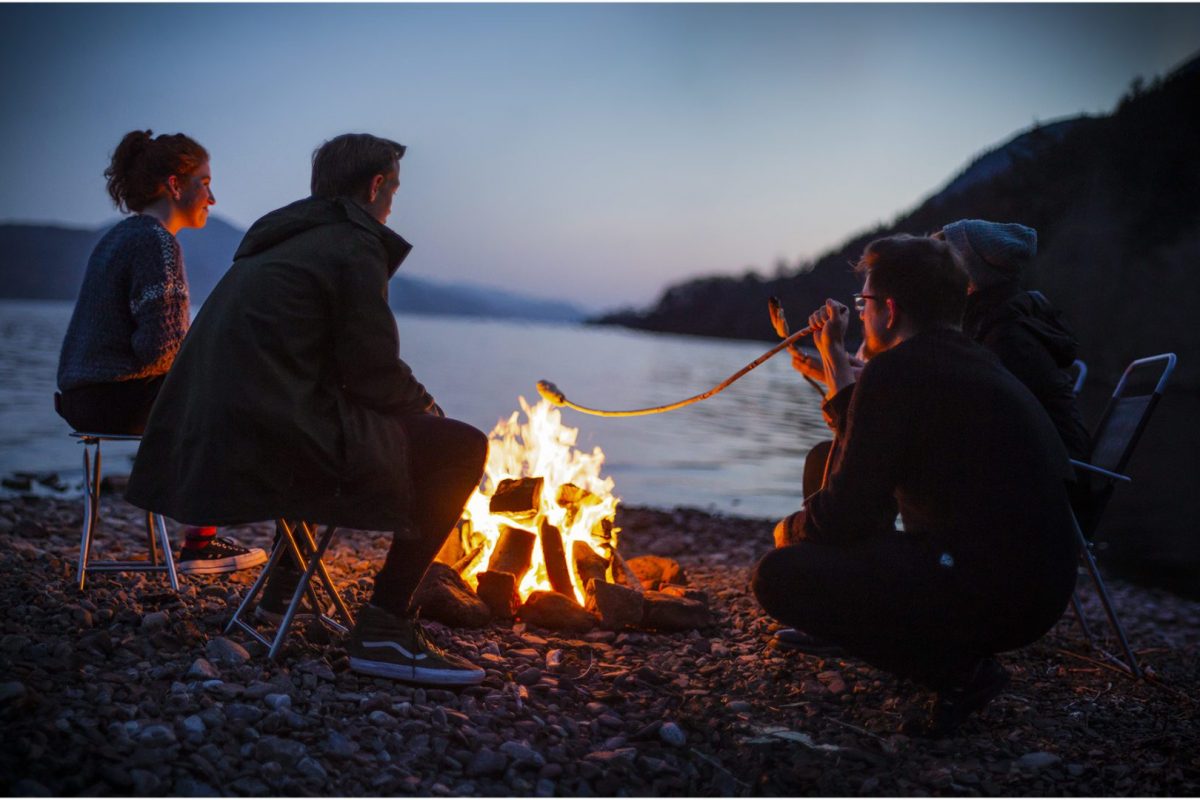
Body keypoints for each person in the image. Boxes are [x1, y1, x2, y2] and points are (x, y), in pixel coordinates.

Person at [125, 133, 489, 686]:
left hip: (203, 440)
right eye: (393, 187)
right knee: (460, 448)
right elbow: (371, 370)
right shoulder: (352, 244)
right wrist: (428, 410)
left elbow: (329, 369)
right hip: (267, 442)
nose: (393, 200)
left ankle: (278, 595)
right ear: (374, 186)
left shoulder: (282, 239)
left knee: (335, 418)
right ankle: (387, 627)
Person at [751, 234, 1078, 736]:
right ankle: (880, 630)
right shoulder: (969, 360)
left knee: (778, 575)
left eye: (864, 303)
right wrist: (838, 361)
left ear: (890, 310)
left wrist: (792, 529)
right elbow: (863, 462)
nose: (860, 314)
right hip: (1038, 586)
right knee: (825, 467)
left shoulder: (899, 372)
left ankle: (960, 671)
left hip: (990, 593)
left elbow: (847, 517)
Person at [55, 129, 265, 575]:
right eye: (205, 182)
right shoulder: (157, 243)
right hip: (116, 397)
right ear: (175, 184)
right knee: (227, 398)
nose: (212, 196)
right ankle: (201, 543)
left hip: (83, 398)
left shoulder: (118, 237)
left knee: (213, 389)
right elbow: (159, 350)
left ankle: (196, 528)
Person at [937, 219, 1099, 530]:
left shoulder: (1006, 338)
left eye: (945, 261)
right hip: (1052, 475)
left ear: (971, 274)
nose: (935, 273)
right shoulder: (998, 321)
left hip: (1047, 490)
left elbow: (975, 424)